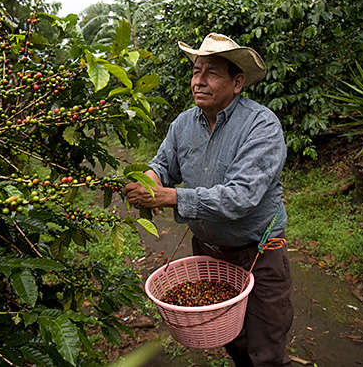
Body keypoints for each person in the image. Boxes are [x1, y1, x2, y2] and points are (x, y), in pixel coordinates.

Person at [123, 33, 293, 367]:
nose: (198, 81)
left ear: (238, 82)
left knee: (267, 350)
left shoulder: (261, 126)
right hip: (210, 255)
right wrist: (149, 182)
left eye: (212, 73)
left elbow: (240, 197)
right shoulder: (183, 124)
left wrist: (169, 196)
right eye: (196, 71)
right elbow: (162, 166)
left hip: (258, 253)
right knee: (234, 340)